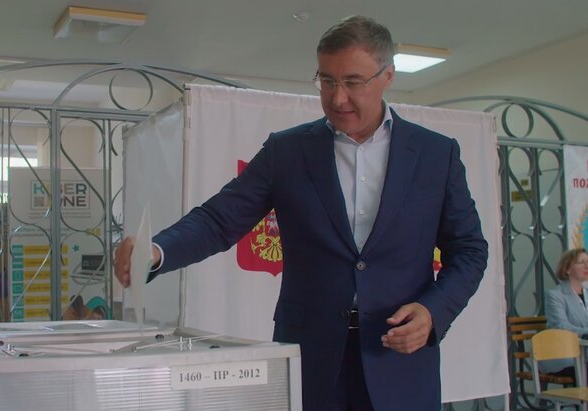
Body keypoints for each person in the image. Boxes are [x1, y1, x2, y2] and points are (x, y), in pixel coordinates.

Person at [114, 15, 488, 411]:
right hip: (310, 359)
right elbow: (220, 219)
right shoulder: (287, 152)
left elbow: (469, 250)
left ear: (388, 76)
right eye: (326, 81)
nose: (337, 98)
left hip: (399, 360)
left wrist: (433, 311)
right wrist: (157, 251)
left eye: (353, 82)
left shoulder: (436, 154)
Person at [543, 247, 588, 376]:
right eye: (581, 262)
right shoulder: (555, 295)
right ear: (567, 269)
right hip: (565, 355)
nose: (587, 266)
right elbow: (561, 327)